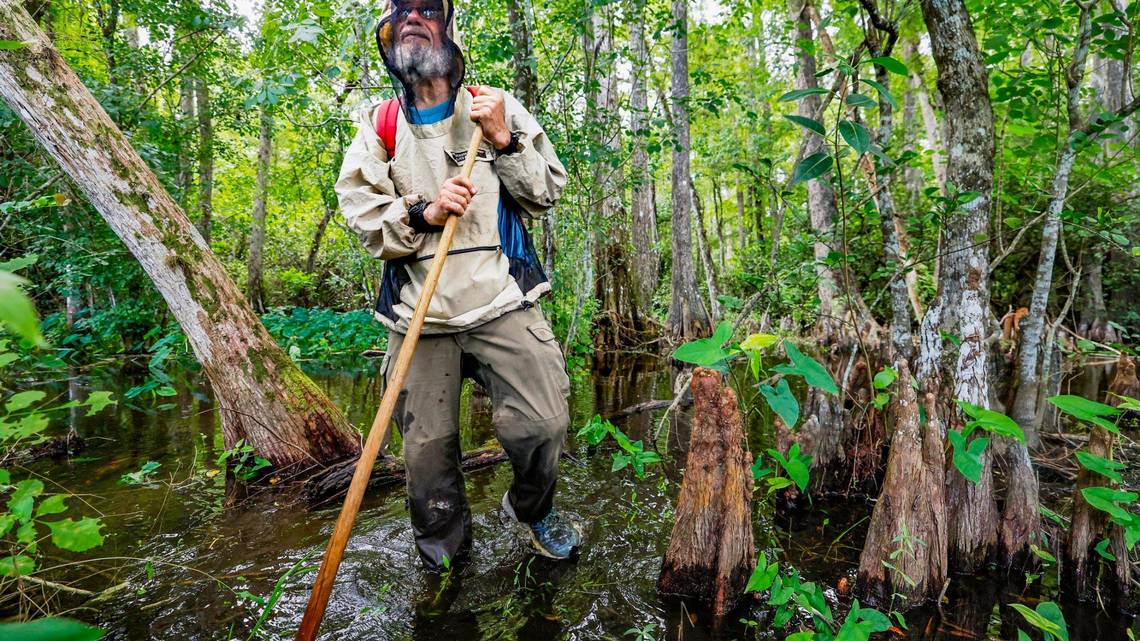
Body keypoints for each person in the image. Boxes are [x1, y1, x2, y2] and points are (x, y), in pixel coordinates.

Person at [335, 0, 579, 573]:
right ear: (389, 35)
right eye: (403, 12)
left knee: (544, 424)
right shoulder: (380, 125)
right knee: (426, 461)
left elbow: (544, 195)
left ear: (448, 28)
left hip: (500, 299)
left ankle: (529, 509)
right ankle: (445, 563)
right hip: (420, 312)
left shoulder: (492, 106)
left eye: (428, 9)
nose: (414, 18)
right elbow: (361, 211)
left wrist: (504, 139)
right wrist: (423, 213)